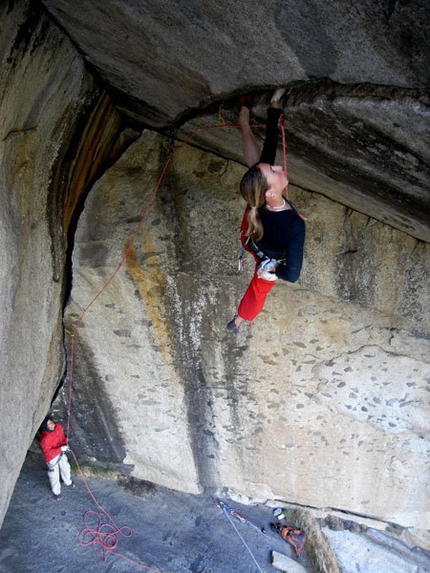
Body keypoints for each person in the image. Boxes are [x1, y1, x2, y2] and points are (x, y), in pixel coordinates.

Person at [227, 89, 306, 333]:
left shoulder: (260, 201)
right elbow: (291, 276)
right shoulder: (288, 222)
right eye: (275, 170)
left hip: (253, 238)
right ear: (271, 194)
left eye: (274, 169)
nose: (280, 167)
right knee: (260, 287)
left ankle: (243, 122)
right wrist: (273, 270)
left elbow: (269, 151)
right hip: (256, 243)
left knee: (257, 170)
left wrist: (274, 108)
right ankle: (239, 320)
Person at [40, 416, 74, 500]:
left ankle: (67, 481)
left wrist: (65, 445)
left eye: (51, 422)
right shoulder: (45, 439)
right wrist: (60, 449)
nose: (51, 425)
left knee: (66, 467)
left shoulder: (58, 426)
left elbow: (62, 437)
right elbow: (48, 453)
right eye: (48, 424)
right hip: (51, 457)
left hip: (60, 451)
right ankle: (56, 492)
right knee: (54, 475)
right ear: (45, 427)